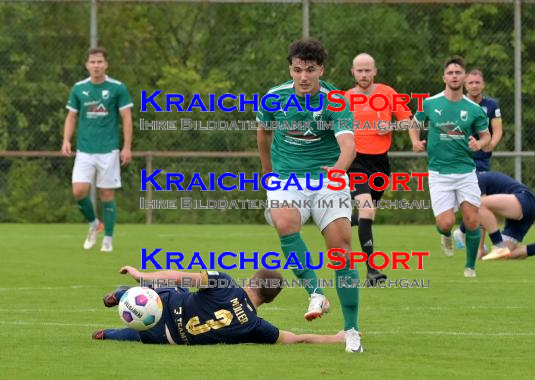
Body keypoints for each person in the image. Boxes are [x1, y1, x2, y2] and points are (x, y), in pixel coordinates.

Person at [256, 39, 363, 352]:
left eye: (310, 70)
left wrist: (336, 172)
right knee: (284, 222)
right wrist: (268, 171)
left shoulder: (336, 101)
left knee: (341, 251)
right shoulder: (275, 98)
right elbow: (264, 132)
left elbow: (349, 148)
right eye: (297, 70)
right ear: (291, 69)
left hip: (328, 178)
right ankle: (315, 292)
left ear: (321, 70)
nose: (303, 76)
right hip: (287, 178)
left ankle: (352, 329)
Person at [93, 267, 347, 346]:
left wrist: (142, 276)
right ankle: (110, 334)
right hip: (169, 338)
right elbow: (296, 339)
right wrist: (336, 337)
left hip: (167, 305)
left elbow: (180, 277)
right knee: (139, 335)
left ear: (251, 280)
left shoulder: (225, 282)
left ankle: (123, 292)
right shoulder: (254, 326)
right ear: (270, 299)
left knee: (173, 289)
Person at [409, 56, 491, 278]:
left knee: (472, 220)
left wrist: (479, 143)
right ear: (444, 77)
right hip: (439, 173)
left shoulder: (474, 109)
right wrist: (415, 142)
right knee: (445, 223)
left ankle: (470, 267)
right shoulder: (430, 103)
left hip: (465, 172)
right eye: (450, 72)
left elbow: (486, 136)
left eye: (458, 72)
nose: (454, 76)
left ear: (464, 77)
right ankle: (445, 235)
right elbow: (414, 125)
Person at [345, 53, 412, 285]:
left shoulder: (387, 93)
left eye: (367, 70)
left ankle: (340, 219)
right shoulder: (344, 99)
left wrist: (390, 126)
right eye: (359, 70)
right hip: (355, 162)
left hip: (380, 163)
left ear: (375, 72)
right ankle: (372, 270)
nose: (363, 74)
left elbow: (408, 121)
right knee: (367, 212)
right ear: (352, 72)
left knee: (366, 214)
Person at [61, 47, 133, 253]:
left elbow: (126, 117)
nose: (96, 65)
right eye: (92, 62)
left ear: (106, 64)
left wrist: (126, 147)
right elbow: (72, 116)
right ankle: (94, 223)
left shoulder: (117, 88)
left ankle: (108, 239)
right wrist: (66, 140)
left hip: (108, 149)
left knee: (106, 193)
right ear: (87, 65)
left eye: (100, 61)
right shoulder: (78, 89)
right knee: (79, 191)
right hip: (84, 149)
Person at [454, 69, 503, 248]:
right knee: (479, 198)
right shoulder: (458, 103)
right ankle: (482, 244)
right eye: (470, 83)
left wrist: (491, 143)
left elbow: (497, 130)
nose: (474, 86)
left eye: (477, 82)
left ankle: (463, 232)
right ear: (465, 85)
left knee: (478, 200)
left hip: (483, 158)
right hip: (464, 159)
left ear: (483, 84)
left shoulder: (491, 105)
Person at [472, 171, 535, 261]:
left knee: (479, 204)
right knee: (503, 256)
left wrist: (480, 248)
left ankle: (499, 246)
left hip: (524, 199)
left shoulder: (477, 180)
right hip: (524, 208)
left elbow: (481, 212)